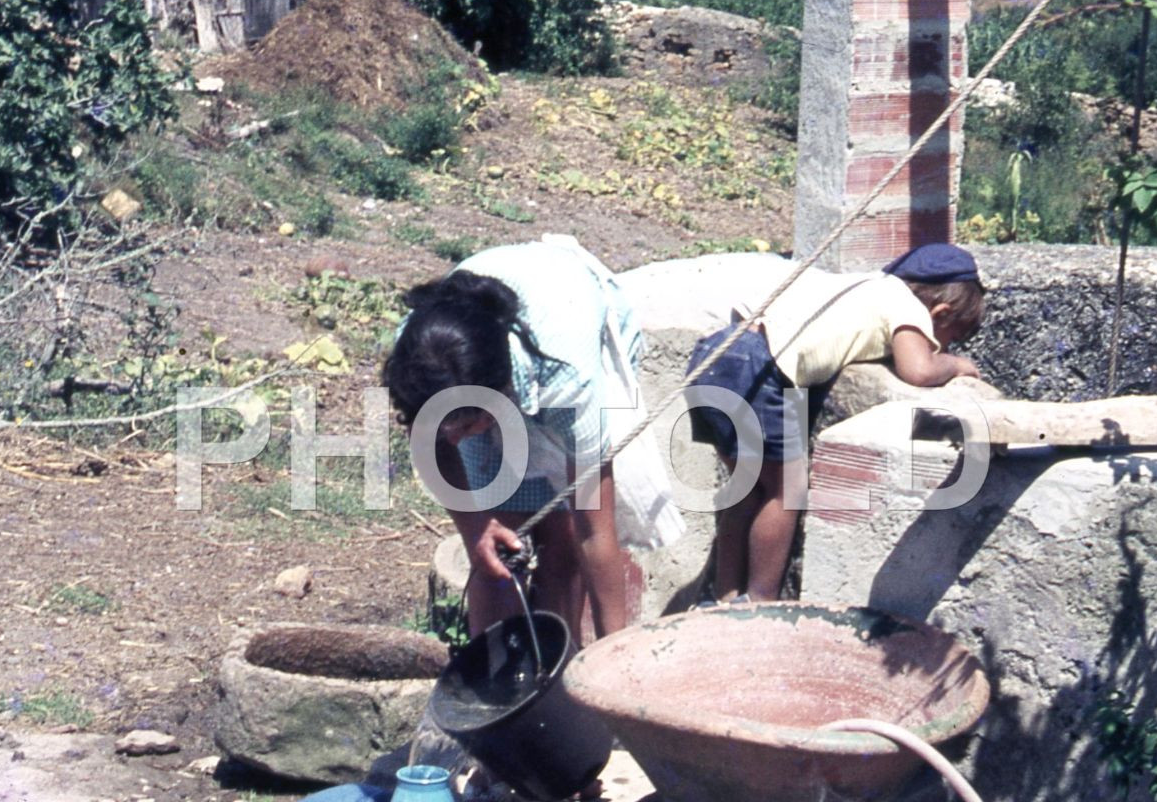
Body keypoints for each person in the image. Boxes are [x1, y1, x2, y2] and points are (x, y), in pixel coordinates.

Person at [686, 241, 987, 603]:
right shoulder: (907, 308)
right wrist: (956, 366)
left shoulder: (864, 285)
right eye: (947, 339)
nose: (939, 346)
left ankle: (723, 595)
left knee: (747, 487)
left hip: (718, 352)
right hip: (759, 368)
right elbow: (918, 370)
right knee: (786, 490)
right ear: (940, 313)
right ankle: (759, 600)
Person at [384, 237, 648, 647]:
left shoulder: (572, 382)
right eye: (443, 425)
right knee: (500, 540)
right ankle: (491, 679)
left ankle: (561, 662)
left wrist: (616, 655)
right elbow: (434, 444)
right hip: (484, 348)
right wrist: (476, 530)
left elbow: (595, 532)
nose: (452, 438)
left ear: (501, 394)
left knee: (563, 534)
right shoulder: (421, 358)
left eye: (465, 425)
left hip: (575, 315)